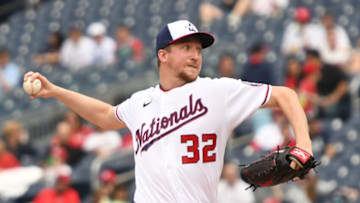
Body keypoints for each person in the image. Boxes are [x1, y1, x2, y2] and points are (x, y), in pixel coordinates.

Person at [24, 20, 313, 202]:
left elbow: (286, 95)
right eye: (186, 47)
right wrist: (57, 91)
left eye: (198, 50)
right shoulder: (140, 102)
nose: (195, 55)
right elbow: (105, 116)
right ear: (162, 55)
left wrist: (304, 145)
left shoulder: (217, 91)